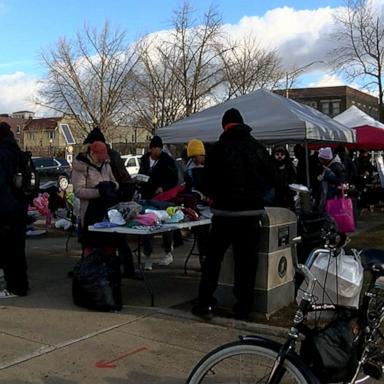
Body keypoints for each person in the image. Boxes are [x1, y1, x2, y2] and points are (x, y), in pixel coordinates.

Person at [192, 108, 275, 320]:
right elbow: (272, 178)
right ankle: (243, 307)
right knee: (246, 263)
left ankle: (204, 302)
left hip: (224, 214)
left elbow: (207, 182)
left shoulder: (217, 149)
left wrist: (216, 195)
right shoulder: (258, 148)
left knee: (213, 261)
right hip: (250, 214)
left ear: (224, 126)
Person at [83, 128, 138, 279]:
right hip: (116, 197)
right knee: (115, 238)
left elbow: (116, 179)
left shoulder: (108, 158)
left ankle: (111, 269)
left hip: (114, 199)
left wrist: (108, 189)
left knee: (114, 238)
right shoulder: (110, 156)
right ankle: (120, 268)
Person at [72, 141, 119, 256]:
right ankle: (90, 268)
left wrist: (112, 186)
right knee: (90, 245)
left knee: (109, 244)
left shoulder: (106, 164)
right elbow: (78, 191)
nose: (101, 159)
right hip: (90, 212)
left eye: (103, 156)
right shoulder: (81, 167)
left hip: (107, 211)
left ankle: (108, 268)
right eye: (99, 157)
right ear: (92, 153)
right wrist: (99, 192)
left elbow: (115, 182)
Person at [138, 135, 178, 270]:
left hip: (163, 197)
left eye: (159, 149)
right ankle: (147, 256)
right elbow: (141, 173)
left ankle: (168, 252)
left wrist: (163, 187)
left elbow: (174, 179)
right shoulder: (144, 160)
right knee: (147, 225)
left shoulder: (167, 161)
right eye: (154, 148)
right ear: (150, 149)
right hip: (146, 195)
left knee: (166, 225)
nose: (156, 151)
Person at [0, 122, 29, 297]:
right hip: (18, 204)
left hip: (5, 207)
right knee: (17, 249)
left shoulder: (2, 153)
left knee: (8, 250)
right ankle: (20, 285)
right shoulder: (16, 151)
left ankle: (14, 287)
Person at [184, 139, 210, 263]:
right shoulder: (190, 170)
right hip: (199, 209)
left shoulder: (210, 167)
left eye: (195, 156)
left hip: (210, 208)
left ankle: (206, 260)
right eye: (192, 157)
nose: (194, 159)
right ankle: (203, 261)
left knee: (207, 238)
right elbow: (188, 189)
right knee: (202, 238)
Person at [316, 147, 346, 212]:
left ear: (326, 159)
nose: (320, 162)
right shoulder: (330, 165)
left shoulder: (336, 166)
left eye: (321, 160)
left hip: (334, 195)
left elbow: (341, 181)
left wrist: (328, 176)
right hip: (331, 194)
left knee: (333, 212)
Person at [270, 144, 296, 209]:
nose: (280, 156)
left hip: (288, 193)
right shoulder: (270, 165)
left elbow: (294, 178)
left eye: (282, 154)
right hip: (275, 194)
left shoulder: (289, 165)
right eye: (277, 154)